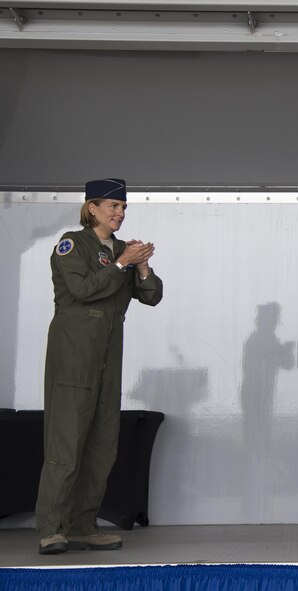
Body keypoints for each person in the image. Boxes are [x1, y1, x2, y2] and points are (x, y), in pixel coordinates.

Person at [36, 178, 163, 555]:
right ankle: (51, 528)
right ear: (92, 208)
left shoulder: (124, 250)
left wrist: (141, 267)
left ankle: (82, 525)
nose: (120, 214)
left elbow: (152, 297)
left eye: (123, 208)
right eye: (112, 207)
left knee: (102, 444)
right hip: (74, 351)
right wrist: (124, 262)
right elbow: (83, 290)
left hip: (108, 353)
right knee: (67, 442)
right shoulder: (73, 244)